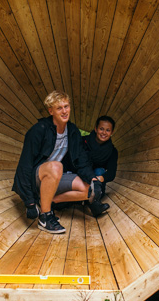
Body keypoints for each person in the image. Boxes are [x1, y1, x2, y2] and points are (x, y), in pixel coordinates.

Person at [12, 91, 107, 234]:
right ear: (51, 111)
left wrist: (93, 179)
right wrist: (29, 202)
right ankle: (45, 217)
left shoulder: (73, 131)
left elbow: (82, 160)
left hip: (55, 176)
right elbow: (24, 166)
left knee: (89, 189)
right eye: (59, 108)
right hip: (37, 179)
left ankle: (49, 200)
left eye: (66, 106)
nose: (64, 111)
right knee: (57, 166)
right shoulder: (39, 130)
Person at [82, 115, 118, 213]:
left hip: (97, 181)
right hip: (82, 176)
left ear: (112, 132)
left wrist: (97, 180)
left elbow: (111, 174)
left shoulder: (112, 151)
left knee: (99, 170)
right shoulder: (83, 141)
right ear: (96, 129)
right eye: (101, 129)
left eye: (107, 130)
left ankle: (94, 199)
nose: (104, 133)